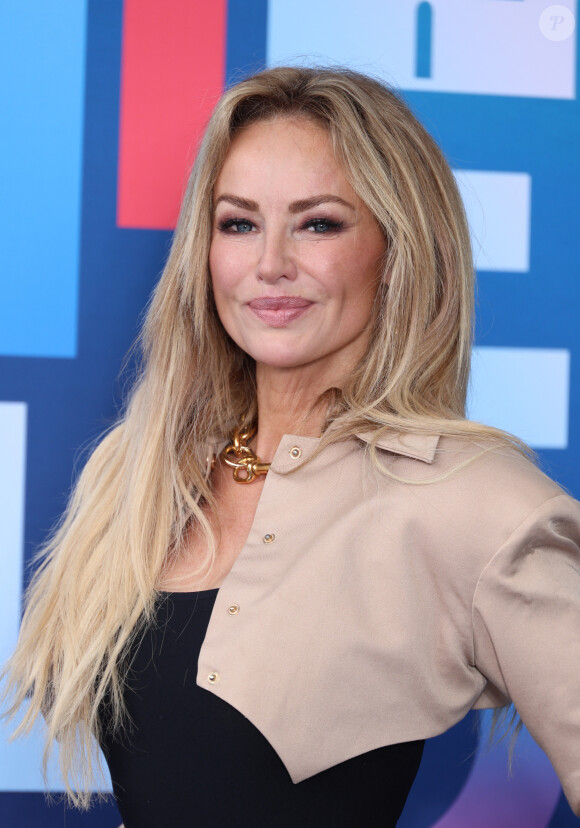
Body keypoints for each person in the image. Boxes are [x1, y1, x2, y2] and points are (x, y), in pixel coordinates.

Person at [4, 66, 580, 826]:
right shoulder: (140, 473)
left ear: (397, 248)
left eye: (319, 223)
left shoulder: (476, 499)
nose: (270, 264)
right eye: (239, 223)